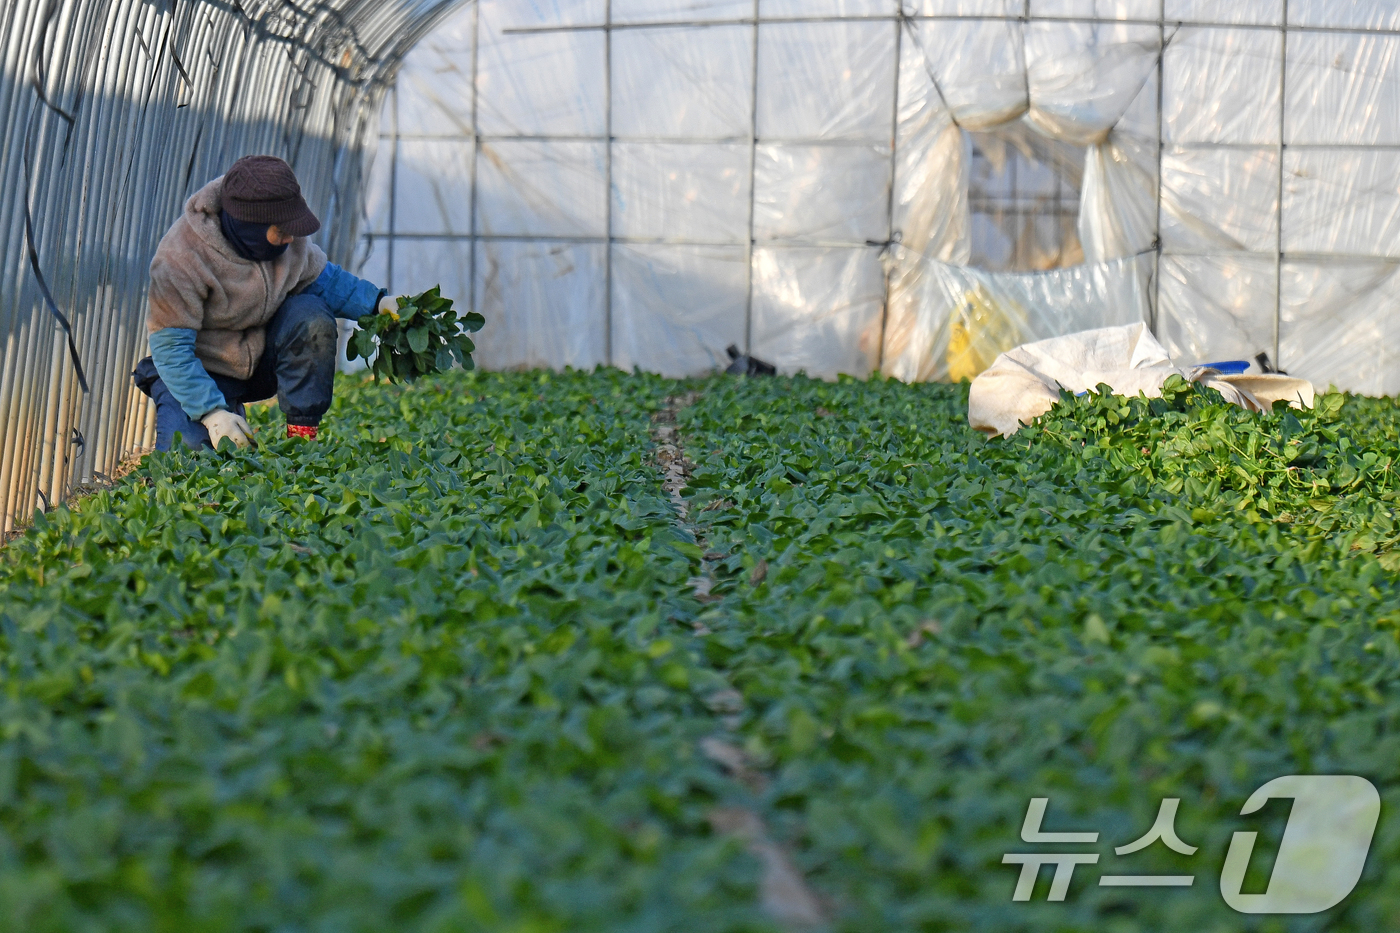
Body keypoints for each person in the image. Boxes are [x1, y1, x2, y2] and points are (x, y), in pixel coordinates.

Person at [132, 154, 387, 450]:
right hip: (202, 369)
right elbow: (171, 349)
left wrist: (379, 303)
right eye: (281, 230)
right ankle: (224, 412)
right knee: (188, 452)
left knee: (310, 315)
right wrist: (212, 413)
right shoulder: (180, 259)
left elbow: (327, 282)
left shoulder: (289, 243)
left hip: (262, 362)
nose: (291, 237)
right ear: (248, 225)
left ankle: (302, 443)